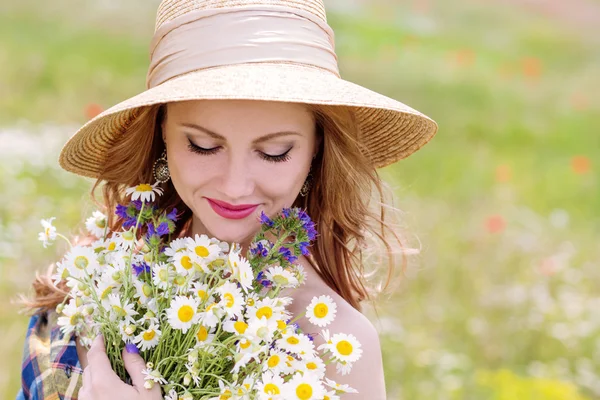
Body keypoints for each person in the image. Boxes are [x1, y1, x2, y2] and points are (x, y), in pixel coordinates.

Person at [17, 0, 438, 399]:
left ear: (317, 149)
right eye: (202, 145)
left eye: (274, 152)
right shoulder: (97, 284)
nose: (236, 187)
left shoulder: (334, 347)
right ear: (162, 131)